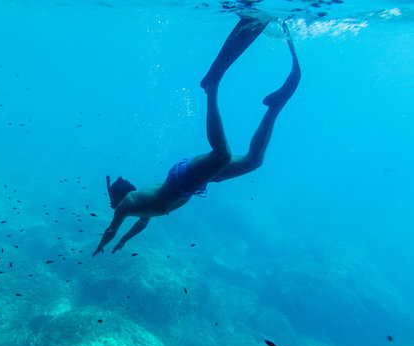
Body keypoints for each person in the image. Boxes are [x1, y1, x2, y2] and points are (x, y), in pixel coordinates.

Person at [93, 17, 301, 257]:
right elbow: (142, 222)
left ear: (117, 199)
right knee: (253, 161)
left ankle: (211, 86)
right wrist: (125, 241)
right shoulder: (136, 209)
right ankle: (275, 105)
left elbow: (110, 230)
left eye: (112, 203)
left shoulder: (126, 205)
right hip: (193, 184)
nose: (112, 208)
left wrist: (102, 245)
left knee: (222, 155)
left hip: (182, 180)